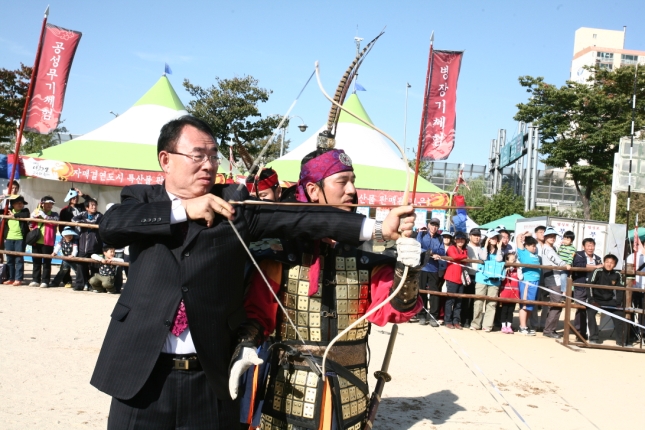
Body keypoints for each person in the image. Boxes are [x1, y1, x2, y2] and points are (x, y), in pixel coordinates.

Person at [90, 115, 416, 429]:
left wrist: (376, 227)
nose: (209, 165)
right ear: (166, 159)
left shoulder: (233, 204)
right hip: (143, 374)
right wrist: (183, 209)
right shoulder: (141, 198)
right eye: (198, 156)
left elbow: (302, 219)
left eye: (214, 156)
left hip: (210, 379)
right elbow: (111, 226)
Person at [238, 146, 422, 429]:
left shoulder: (369, 252)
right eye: (342, 181)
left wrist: (407, 270)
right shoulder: (280, 251)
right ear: (313, 190)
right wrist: (247, 342)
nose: (352, 190)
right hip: (288, 388)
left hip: (348, 390)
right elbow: (258, 314)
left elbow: (393, 310)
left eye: (353, 180)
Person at [587, 254, 627, 346]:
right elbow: (589, 285)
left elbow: (620, 289)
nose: (609, 264)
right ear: (603, 263)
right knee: (590, 313)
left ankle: (621, 340)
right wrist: (592, 300)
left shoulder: (617, 274)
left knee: (620, 315)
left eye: (612, 263)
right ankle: (594, 337)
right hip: (596, 299)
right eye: (607, 262)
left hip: (610, 300)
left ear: (615, 264)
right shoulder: (597, 271)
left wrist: (618, 303)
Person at [471, 230, 504, 332]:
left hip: (494, 281)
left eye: (495, 238)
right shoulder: (481, 249)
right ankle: (476, 324)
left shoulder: (501, 251)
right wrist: (485, 245)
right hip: (482, 278)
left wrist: (499, 248)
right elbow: (483, 257)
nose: (494, 240)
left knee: (492, 304)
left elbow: (499, 259)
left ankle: (487, 325)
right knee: (478, 302)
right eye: (492, 238)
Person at [541, 227, 571, 339]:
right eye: (550, 236)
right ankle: (549, 329)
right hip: (553, 277)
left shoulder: (551, 248)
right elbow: (555, 260)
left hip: (555, 277)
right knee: (556, 303)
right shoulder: (547, 249)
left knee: (556, 304)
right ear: (545, 237)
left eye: (554, 236)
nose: (552, 238)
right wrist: (564, 264)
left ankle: (550, 328)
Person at [415, 217, 445, 326]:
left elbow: (442, 251)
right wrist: (430, 252)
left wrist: (436, 253)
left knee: (434, 293)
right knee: (421, 291)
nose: (434, 227)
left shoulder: (440, 238)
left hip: (434, 269)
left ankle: (433, 316)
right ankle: (421, 315)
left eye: (436, 225)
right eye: (432, 224)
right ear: (428, 225)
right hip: (422, 267)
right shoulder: (421, 235)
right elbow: (418, 248)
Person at [572, 238, 602, 339]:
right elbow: (578, 265)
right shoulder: (578, 254)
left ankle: (593, 334)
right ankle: (580, 333)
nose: (590, 248)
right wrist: (596, 267)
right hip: (580, 286)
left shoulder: (597, 258)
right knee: (580, 309)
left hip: (593, 288)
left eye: (592, 245)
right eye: (588, 246)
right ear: (583, 246)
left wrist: (598, 267)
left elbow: (601, 270)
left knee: (592, 310)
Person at [72, 197, 103, 291]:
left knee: (94, 267)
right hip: (83, 245)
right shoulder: (82, 214)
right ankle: (80, 284)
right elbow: (73, 219)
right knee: (81, 266)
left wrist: (82, 222)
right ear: (87, 207)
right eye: (92, 205)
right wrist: (82, 222)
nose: (94, 207)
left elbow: (93, 222)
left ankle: (93, 285)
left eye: (95, 205)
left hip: (95, 245)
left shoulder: (99, 215)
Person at [29, 196, 59, 288]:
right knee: (36, 261)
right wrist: (32, 216)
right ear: (42, 204)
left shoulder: (55, 214)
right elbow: (30, 225)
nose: (50, 205)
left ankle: (45, 281)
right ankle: (35, 280)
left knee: (47, 262)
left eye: (51, 203)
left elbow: (55, 222)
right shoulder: (37, 212)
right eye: (48, 203)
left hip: (48, 241)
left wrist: (44, 216)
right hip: (36, 240)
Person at [515, 231, 542, 336]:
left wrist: (529, 236)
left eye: (535, 246)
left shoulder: (535, 254)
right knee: (525, 305)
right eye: (531, 246)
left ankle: (525, 325)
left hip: (536, 282)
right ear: (526, 246)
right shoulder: (523, 252)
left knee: (531, 305)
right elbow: (518, 239)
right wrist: (523, 234)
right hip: (528, 282)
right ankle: (522, 327)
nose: (534, 247)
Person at [442, 231, 468, 329]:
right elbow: (454, 256)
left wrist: (463, 256)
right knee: (450, 301)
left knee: (459, 301)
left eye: (462, 239)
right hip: (452, 278)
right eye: (458, 239)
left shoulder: (465, 250)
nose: (460, 241)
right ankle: (448, 321)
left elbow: (461, 260)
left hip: (461, 279)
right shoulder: (451, 248)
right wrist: (465, 256)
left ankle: (456, 321)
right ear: (455, 240)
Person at [2, 195, 29, 286]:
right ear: (13, 204)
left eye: (22, 203)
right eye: (18, 203)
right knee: (9, 260)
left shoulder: (25, 211)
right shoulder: (7, 210)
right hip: (9, 238)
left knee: (19, 260)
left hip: (20, 239)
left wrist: (14, 216)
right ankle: (11, 278)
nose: (20, 205)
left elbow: (26, 215)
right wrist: (1, 199)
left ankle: (18, 278)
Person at [463, 228, 482, 328]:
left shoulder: (483, 248)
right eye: (474, 235)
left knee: (476, 300)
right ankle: (464, 319)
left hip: (479, 276)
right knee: (466, 299)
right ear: (470, 236)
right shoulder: (466, 247)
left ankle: (471, 319)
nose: (476, 237)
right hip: (468, 275)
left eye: (478, 235)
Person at [499, 252, 522, 333]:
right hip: (505, 292)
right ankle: (503, 326)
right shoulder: (504, 268)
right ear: (507, 260)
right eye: (512, 260)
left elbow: (521, 277)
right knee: (504, 310)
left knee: (511, 310)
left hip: (514, 293)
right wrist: (505, 271)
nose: (513, 261)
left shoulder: (517, 269)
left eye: (514, 260)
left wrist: (519, 268)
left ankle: (509, 326)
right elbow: (501, 279)